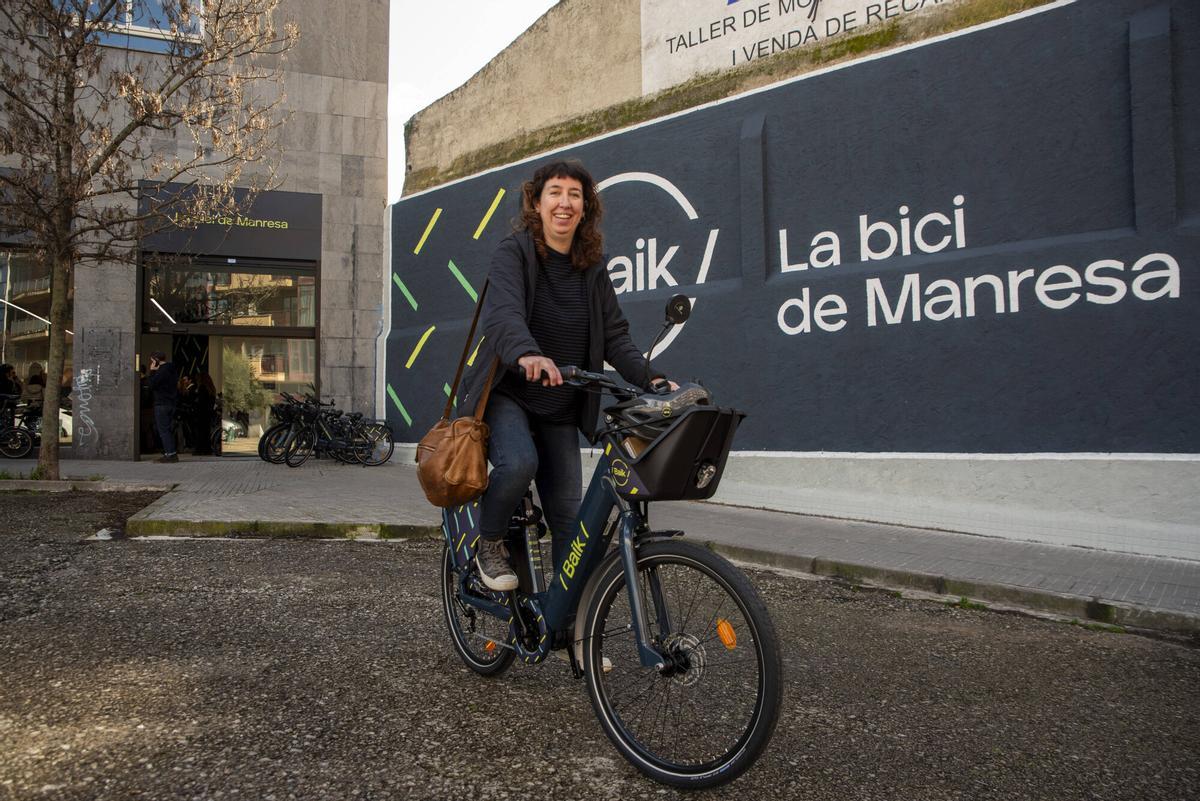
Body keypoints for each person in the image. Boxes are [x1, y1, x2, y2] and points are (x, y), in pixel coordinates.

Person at [459, 159, 674, 591]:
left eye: (574, 195)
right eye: (555, 192)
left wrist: (652, 379)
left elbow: (616, 337)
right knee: (519, 462)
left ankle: (578, 639)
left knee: (570, 525)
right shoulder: (514, 253)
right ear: (536, 203)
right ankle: (489, 541)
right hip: (510, 395)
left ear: (585, 208)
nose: (565, 203)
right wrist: (527, 354)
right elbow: (503, 316)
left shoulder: (592, 268)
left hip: (559, 407)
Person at [146, 351, 180, 463]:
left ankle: (170, 454)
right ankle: (169, 452)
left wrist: (151, 371)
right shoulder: (172, 370)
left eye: (152, 361)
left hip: (162, 404)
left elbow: (151, 385)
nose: (151, 363)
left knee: (163, 430)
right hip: (171, 403)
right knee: (167, 429)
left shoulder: (162, 371)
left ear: (156, 360)